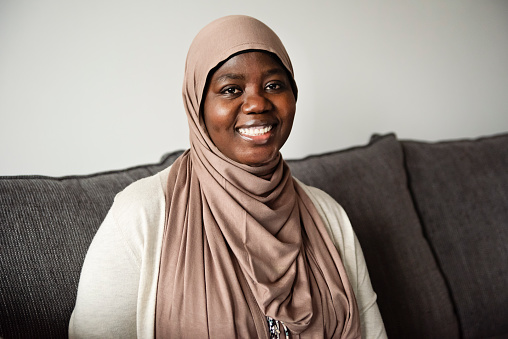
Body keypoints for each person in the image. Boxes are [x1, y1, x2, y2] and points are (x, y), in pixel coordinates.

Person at [69, 15, 386, 338]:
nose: (257, 104)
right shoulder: (141, 215)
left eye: (274, 85)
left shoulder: (328, 215)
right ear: (198, 105)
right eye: (231, 89)